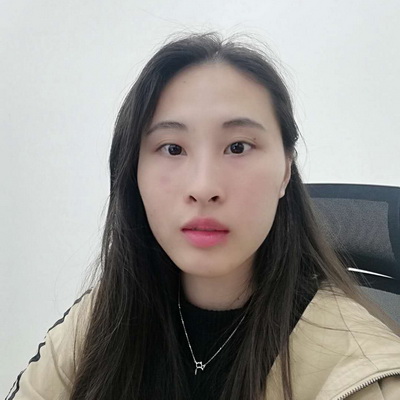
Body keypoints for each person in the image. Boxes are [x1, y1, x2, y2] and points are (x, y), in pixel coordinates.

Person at [6, 32, 400, 400]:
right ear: (133, 171)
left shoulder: (364, 373)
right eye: (172, 148)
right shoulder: (99, 319)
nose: (203, 186)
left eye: (238, 147)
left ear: (285, 170)